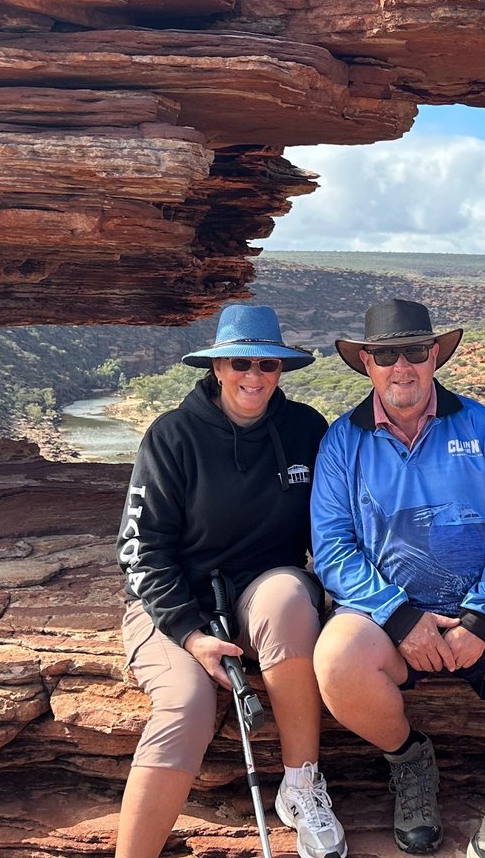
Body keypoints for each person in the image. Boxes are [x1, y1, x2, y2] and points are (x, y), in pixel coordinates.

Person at [310, 299, 485, 858]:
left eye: (415, 351)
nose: (402, 367)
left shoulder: (478, 424)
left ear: (434, 355)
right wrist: (401, 616)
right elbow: (332, 548)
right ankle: (410, 761)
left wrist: (480, 620)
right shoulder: (343, 441)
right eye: (387, 354)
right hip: (388, 621)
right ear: (367, 362)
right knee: (334, 658)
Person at [115, 303, 346, 858]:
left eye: (268, 365)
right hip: (177, 603)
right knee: (187, 706)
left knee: (289, 597)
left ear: (281, 371)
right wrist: (192, 635)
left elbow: (337, 526)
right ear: (217, 368)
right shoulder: (172, 437)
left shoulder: (306, 431)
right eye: (241, 362)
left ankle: (302, 786)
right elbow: (140, 549)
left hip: (265, 591)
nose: (254, 376)